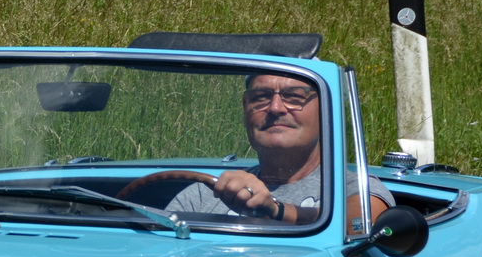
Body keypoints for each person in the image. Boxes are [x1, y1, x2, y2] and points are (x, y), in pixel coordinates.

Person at [163, 72, 392, 227]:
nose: (275, 108)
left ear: (325, 110)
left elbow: (360, 224)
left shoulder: (352, 188)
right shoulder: (206, 193)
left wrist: (275, 210)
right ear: (245, 111)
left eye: (294, 96)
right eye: (260, 97)